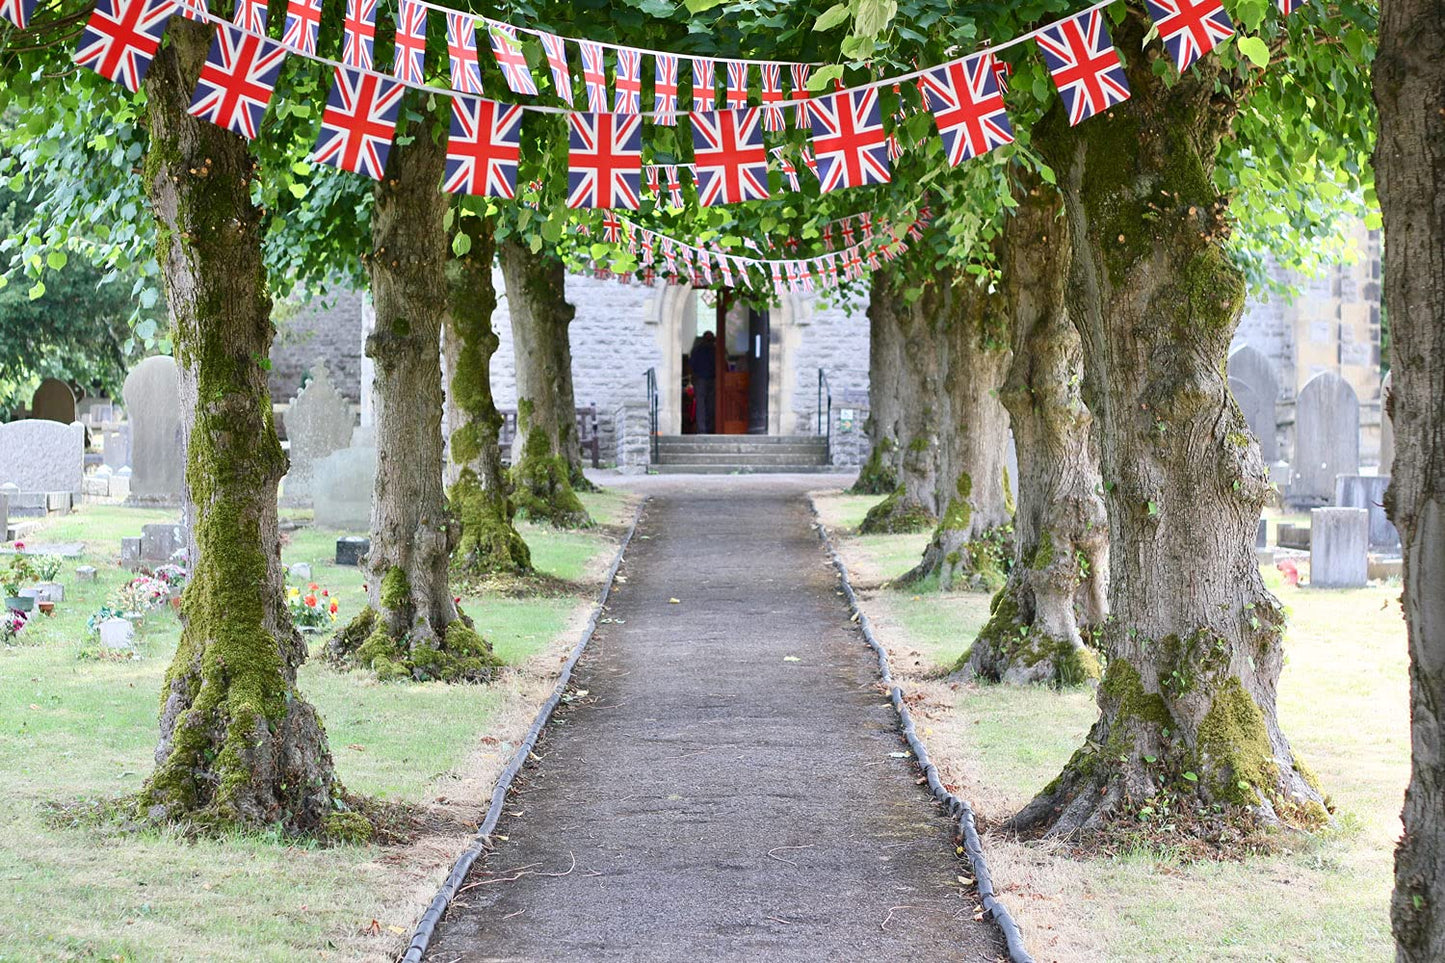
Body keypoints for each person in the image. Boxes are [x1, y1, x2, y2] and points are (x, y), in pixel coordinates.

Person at [689, 330, 717, 434]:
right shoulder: (715, 350)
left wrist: (693, 377)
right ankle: (709, 429)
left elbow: (691, 365)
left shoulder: (697, 350)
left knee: (701, 406)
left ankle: (702, 429)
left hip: (701, 380)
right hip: (710, 380)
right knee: (710, 405)